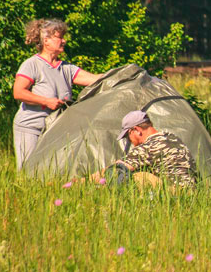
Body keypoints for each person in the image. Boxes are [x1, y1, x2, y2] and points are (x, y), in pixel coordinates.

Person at [12, 19, 102, 170]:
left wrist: (122, 74)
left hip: (54, 131)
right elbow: (18, 92)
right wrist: (46, 101)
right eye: (60, 37)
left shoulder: (67, 68)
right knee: (28, 172)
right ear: (46, 41)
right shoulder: (32, 64)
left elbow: (94, 79)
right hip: (31, 128)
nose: (64, 41)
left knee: (49, 173)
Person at [81, 110, 198, 189]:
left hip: (175, 193)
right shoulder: (173, 138)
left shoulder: (148, 147)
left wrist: (84, 182)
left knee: (138, 177)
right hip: (192, 191)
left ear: (136, 130)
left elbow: (116, 169)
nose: (129, 141)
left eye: (128, 136)